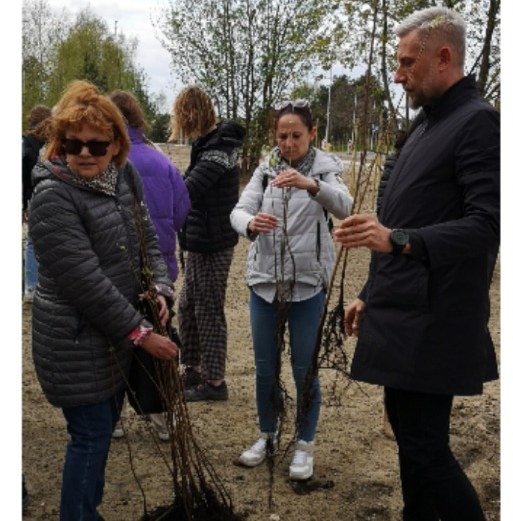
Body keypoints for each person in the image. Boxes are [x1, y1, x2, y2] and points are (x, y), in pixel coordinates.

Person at [339, 6, 500, 521]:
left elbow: (485, 226)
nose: (398, 75)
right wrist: (373, 296)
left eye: (408, 63)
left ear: (444, 59)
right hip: (401, 308)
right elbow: (400, 224)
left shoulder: (477, 124)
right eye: (398, 62)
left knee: (429, 446)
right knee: (407, 431)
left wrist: (397, 240)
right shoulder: (427, 125)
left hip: (438, 314)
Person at [27, 82, 177, 521]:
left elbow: (147, 239)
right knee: (89, 438)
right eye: (74, 144)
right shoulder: (52, 196)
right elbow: (85, 284)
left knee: (98, 436)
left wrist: (160, 287)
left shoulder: (123, 177)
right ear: (58, 145)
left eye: (97, 144)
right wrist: (141, 335)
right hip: (75, 340)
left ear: (117, 143)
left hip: (113, 339)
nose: (86, 154)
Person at [231, 100, 353, 480]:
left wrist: (310, 185)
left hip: (307, 285)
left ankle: (304, 445)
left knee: (305, 369)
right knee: (266, 369)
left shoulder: (325, 170)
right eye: (282, 136)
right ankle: (267, 436)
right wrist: (251, 223)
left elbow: (346, 207)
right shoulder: (266, 170)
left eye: (296, 135)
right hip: (264, 282)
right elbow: (237, 211)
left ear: (312, 134)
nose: (288, 143)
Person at [107, 91, 190, 442]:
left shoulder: (108, 160)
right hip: (160, 267)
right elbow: (183, 208)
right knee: (155, 337)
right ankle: (161, 420)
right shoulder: (161, 161)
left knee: (116, 339)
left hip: (119, 265)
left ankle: (116, 419)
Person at [171, 85, 245, 404]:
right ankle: (192, 369)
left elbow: (191, 188)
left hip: (214, 241)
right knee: (187, 305)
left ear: (189, 114)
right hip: (200, 239)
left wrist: (163, 191)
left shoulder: (219, 149)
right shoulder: (206, 144)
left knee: (208, 309)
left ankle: (215, 381)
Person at [22, 104, 50, 299]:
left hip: (32, 197)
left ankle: (31, 287)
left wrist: (23, 204)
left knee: (32, 242)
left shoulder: (25, 144)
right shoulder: (52, 142)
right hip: (50, 195)